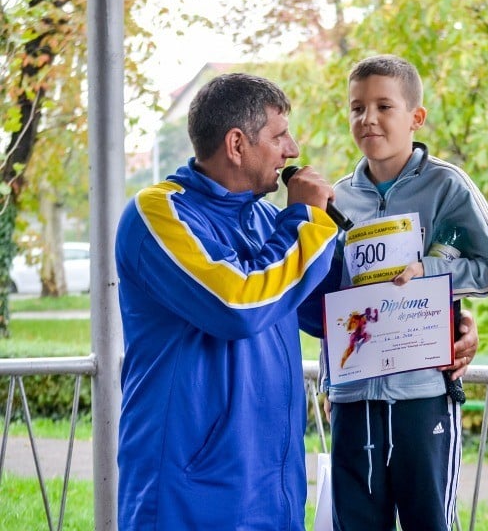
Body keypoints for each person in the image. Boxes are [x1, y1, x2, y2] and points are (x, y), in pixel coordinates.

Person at [115, 73, 344, 530]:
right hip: (189, 496)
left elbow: (334, 314)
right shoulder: (157, 213)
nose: (293, 149)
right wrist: (305, 221)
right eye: (279, 136)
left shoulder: (265, 217)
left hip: (272, 492)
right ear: (237, 144)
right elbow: (238, 305)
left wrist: (442, 326)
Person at [324, 54, 488, 531]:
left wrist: (429, 271)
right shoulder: (336, 199)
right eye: (356, 108)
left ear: (416, 117)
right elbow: (325, 294)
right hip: (354, 399)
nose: (367, 118)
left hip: (423, 394)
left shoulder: (446, 186)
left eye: (383, 106)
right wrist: (333, 384)